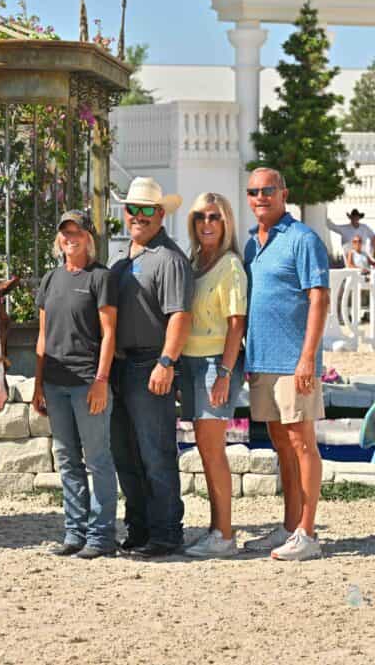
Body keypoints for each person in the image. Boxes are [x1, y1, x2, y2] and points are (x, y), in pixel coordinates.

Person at [243, 168, 330, 561]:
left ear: (283, 193)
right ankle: (290, 525)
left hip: (294, 363)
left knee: (301, 443)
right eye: (253, 191)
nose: (260, 196)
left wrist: (308, 358)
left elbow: (319, 299)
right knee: (281, 445)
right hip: (262, 361)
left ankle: (308, 533)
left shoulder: (303, 239)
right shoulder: (250, 245)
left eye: (267, 190)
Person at [108, 176, 192, 558]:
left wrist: (166, 362)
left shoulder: (169, 259)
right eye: (132, 209)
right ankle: (139, 527)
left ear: (160, 214)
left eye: (146, 210)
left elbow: (179, 316)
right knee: (126, 454)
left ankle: (166, 532)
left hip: (150, 364)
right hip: (121, 368)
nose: (138, 217)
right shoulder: (125, 257)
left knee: (156, 453)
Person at [32, 210, 118, 559]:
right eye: (65, 233)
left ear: (88, 238)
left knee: (97, 459)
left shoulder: (101, 278)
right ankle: (74, 532)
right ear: (59, 239)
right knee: (67, 459)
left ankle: (101, 536)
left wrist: (101, 381)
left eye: (77, 232)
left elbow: (109, 333)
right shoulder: (50, 279)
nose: (71, 238)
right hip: (55, 384)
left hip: (87, 383)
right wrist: (38, 385)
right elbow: (42, 337)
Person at [178, 193, 247, 559]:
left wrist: (224, 372)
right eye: (201, 216)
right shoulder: (195, 261)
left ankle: (224, 534)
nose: (207, 223)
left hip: (214, 366)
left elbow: (237, 324)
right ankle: (215, 529)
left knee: (213, 452)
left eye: (215, 217)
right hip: (190, 363)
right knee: (205, 451)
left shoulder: (230, 265)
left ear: (226, 222)